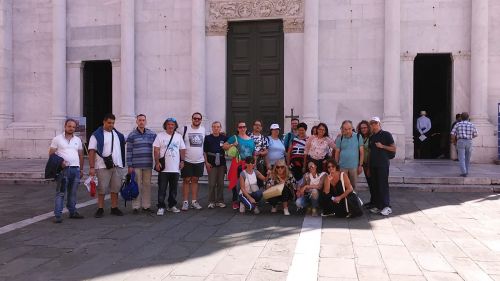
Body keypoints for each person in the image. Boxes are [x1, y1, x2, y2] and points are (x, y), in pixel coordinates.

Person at [88, 113, 126, 218]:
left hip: (117, 165)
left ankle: (114, 208)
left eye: (113, 123)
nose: (111, 125)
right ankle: (100, 208)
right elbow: (91, 151)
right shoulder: (96, 135)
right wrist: (92, 167)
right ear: (104, 122)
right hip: (102, 166)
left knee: (116, 188)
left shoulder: (118, 135)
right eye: (109, 122)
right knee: (102, 188)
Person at [49, 119, 84, 223]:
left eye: (73, 127)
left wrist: (81, 169)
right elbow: (51, 154)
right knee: (60, 193)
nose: (71, 128)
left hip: (75, 169)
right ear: (65, 126)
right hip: (63, 170)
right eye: (69, 126)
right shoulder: (57, 139)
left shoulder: (78, 140)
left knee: (73, 193)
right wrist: (60, 163)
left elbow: (81, 155)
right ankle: (58, 215)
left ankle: (72, 212)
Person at [153, 117, 186, 216]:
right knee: (162, 188)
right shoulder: (160, 136)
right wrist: (157, 162)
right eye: (169, 124)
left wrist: (182, 161)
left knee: (173, 189)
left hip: (175, 168)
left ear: (175, 126)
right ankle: (161, 206)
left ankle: (172, 205)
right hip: (163, 168)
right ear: (165, 125)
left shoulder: (178, 136)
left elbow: (182, 149)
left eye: (172, 124)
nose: (171, 126)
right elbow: (156, 150)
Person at [126, 114, 157, 214]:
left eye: (143, 120)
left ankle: (146, 206)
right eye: (140, 120)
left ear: (146, 121)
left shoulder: (152, 134)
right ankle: (136, 206)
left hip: (148, 164)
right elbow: (129, 150)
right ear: (137, 121)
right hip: (136, 165)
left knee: (147, 185)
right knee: (136, 185)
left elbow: (158, 145)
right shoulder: (132, 135)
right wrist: (129, 165)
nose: (141, 122)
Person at [368, 117, 396, 216]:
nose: (373, 125)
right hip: (373, 165)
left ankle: (387, 207)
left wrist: (382, 146)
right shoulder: (372, 137)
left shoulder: (386, 134)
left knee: (383, 185)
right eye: (371, 123)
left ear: (379, 124)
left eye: (375, 123)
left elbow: (393, 148)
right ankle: (379, 206)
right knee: (375, 186)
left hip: (383, 164)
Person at [224, 121, 256, 210]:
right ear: (238, 129)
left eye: (243, 127)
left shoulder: (251, 140)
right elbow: (224, 146)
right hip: (238, 163)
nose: (242, 129)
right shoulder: (234, 138)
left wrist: (254, 163)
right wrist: (232, 144)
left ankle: (246, 199)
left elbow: (253, 153)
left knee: (248, 183)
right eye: (240, 127)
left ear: (246, 128)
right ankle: (235, 200)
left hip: (248, 164)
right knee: (236, 182)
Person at [180, 112, 205, 211]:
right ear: (192, 119)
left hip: (199, 160)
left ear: (201, 120)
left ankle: (194, 201)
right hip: (187, 160)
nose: (197, 120)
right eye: (195, 118)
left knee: (195, 180)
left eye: (199, 119)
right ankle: (185, 202)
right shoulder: (184, 129)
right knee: (186, 180)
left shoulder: (203, 130)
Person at [203, 121, 228, 209]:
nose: (216, 128)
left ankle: (220, 201)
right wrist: (206, 162)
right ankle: (211, 201)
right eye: (214, 127)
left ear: (220, 128)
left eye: (218, 127)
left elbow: (229, 147)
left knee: (221, 183)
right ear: (212, 128)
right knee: (212, 183)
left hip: (221, 162)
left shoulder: (224, 138)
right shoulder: (208, 138)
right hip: (211, 162)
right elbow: (205, 151)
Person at [335, 120, 364, 190]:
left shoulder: (358, 136)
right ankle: (345, 200)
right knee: (343, 185)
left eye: (349, 129)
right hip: (342, 166)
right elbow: (337, 152)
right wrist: (336, 165)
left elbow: (362, 152)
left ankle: (353, 200)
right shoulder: (340, 138)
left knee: (353, 186)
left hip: (354, 167)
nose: (348, 131)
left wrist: (360, 165)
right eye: (345, 129)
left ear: (352, 128)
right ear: (342, 129)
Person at [450, 112, 478, 177]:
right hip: (469, 141)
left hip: (460, 141)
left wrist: (454, 141)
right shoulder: (472, 124)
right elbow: (476, 134)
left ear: (461, 118)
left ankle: (464, 172)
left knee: (461, 157)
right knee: (467, 157)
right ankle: (466, 171)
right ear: (468, 117)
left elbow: (452, 134)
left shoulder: (457, 124)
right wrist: (470, 137)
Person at [356, 120, 374, 209]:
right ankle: (372, 201)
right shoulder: (359, 137)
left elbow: (371, 152)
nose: (363, 129)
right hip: (364, 163)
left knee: (373, 183)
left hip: (370, 163)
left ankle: (375, 202)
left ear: (368, 128)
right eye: (361, 128)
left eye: (365, 127)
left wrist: (369, 167)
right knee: (370, 183)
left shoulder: (371, 137)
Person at [250, 120, 269, 187]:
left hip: (260, 161)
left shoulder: (264, 138)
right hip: (249, 160)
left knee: (259, 179)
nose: (257, 126)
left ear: (261, 128)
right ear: (253, 126)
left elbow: (266, 151)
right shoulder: (248, 136)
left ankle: (259, 193)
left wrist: (260, 153)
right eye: (256, 125)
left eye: (259, 125)